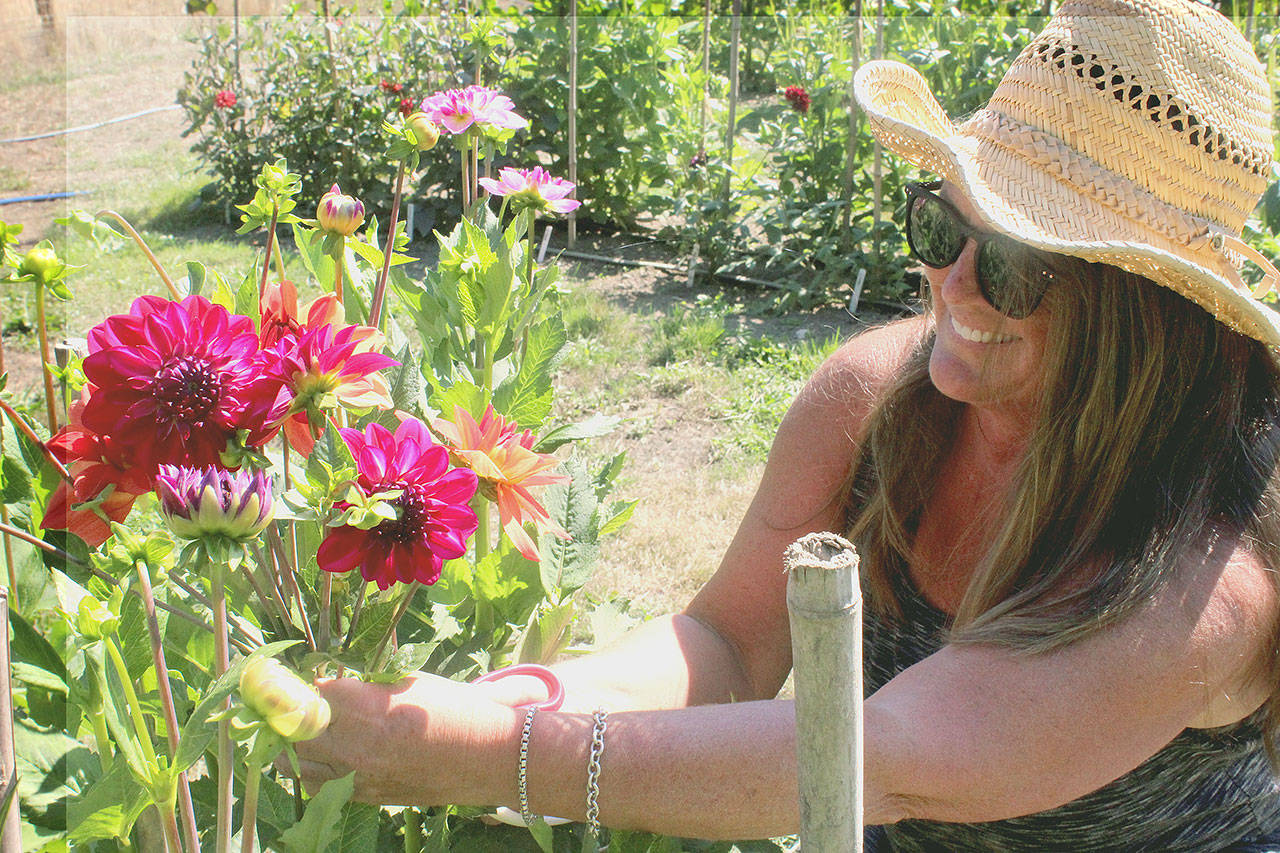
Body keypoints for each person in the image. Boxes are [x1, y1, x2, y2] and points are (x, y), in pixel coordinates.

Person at [295, 0, 1280, 848]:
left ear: (1141, 324)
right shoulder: (880, 403)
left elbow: (882, 759)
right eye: (940, 228)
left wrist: (480, 757)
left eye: (1017, 266)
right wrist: (503, 704)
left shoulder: (1203, 572)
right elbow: (724, 642)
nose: (954, 286)